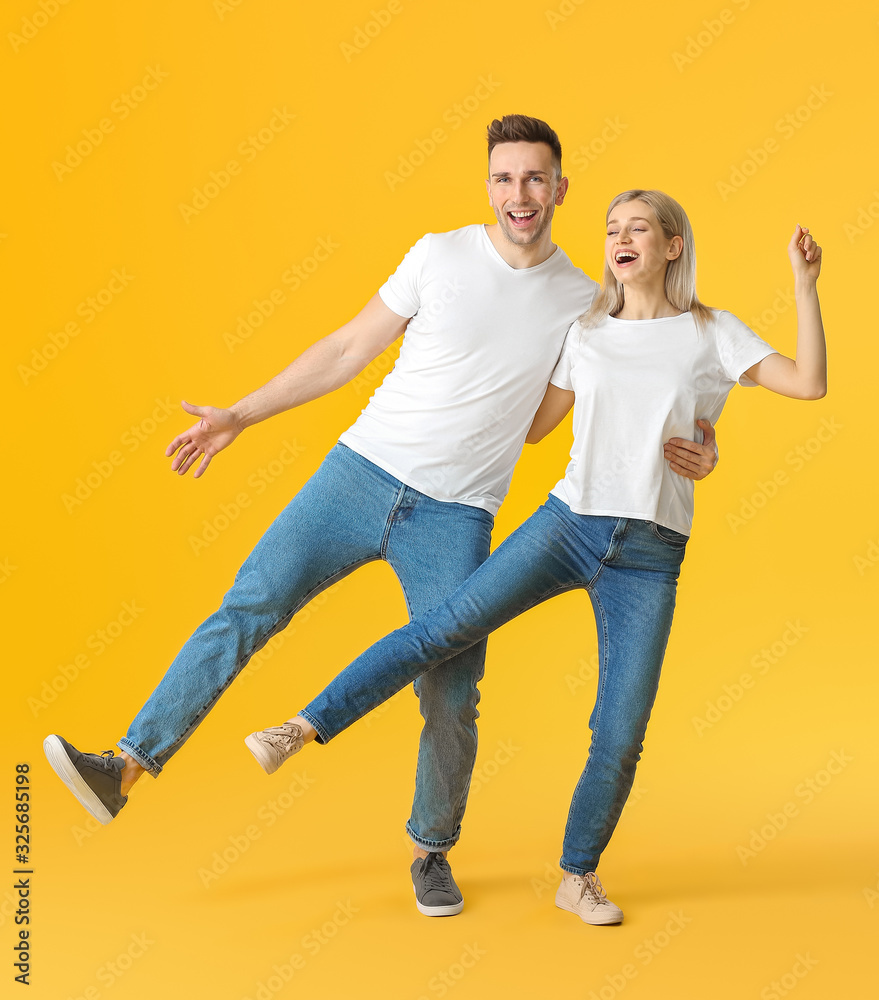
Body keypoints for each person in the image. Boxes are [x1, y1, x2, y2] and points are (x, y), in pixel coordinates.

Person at [43, 119, 718, 919]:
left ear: (560, 189)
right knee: (249, 606)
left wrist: (694, 446)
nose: (519, 196)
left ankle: (430, 850)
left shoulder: (583, 300)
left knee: (451, 688)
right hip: (358, 474)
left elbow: (567, 412)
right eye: (504, 179)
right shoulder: (438, 254)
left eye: (535, 179)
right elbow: (344, 349)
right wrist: (240, 415)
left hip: (457, 512)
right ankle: (123, 765)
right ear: (489, 187)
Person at [247, 191, 826, 926]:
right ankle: (300, 728)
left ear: (671, 246)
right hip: (567, 525)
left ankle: (576, 876)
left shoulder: (713, 333)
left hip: (649, 555)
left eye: (637, 229)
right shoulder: (584, 332)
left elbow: (807, 384)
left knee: (619, 732)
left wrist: (801, 295)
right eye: (611, 228)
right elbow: (530, 428)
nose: (619, 239)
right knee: (443, 631)